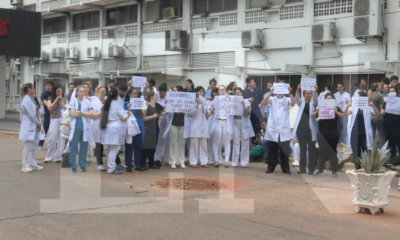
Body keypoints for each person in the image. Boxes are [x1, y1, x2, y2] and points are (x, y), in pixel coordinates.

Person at [261, 84, 295, 174]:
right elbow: (264, 102)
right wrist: (270, 91)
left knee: (285, 149)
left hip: (284, 128)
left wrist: (290, 92)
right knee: (272, 149)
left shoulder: (287, 99)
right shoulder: (272, 99)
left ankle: (285, 167)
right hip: (273, 128)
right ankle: (271, 167)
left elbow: (294, 103)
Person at [344, 91, 379, 170]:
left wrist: (372, 105)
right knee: (356, 153)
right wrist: (348, 105)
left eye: (359, 97)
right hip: (354, 133)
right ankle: (358, 169)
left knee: (366, 151)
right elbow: (346, 113)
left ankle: (369, 169)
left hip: (364, 133)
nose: (357, 98)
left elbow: (377, 113)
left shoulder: (368, 107)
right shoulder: (354, 106)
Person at [311, 93, 344, 177]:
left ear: (334, 100)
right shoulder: (321, 106)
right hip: (322, 132)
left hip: (333, 133)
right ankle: (320, 170)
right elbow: (313, 115)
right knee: (321, 152)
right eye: (327, 99)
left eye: (331, 99)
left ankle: (334, 171)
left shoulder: (336, 107)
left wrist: (336, 111)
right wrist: (317, 111)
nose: (329, 100)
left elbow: (342, 116)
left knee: (333, 152)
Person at [100, 88, 130, 174]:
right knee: (114, 149)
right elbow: (124, 118)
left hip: (108, 128)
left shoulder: (107, 104)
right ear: (116, 96)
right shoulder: (117, 105)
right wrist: (127, 112)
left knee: (111, 149)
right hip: (116, 129)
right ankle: (111, 168)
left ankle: (111, 166)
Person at [293, 84, 319, 175]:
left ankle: (311, 169)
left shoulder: (314, 103)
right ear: (304, 95)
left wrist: (316, 91)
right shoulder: (301, 103)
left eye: (310, 94)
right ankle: (302, 169)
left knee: (311, 150)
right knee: (302, 149)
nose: (309, 95)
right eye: (307, 93)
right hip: (301, 129)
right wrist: (297, 89)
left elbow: (316, 100)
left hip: (311, 130)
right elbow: (297, 99)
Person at [68, 85, 93, 173]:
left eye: (84, 91)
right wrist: (84, 113)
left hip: (85, 127)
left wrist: (80, 112)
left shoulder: (88, 102)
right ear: (77, 92)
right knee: (73, 147)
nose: (82, 93)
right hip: (75, 127)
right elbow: (73, 114)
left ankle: (82, 165)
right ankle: (73, 166)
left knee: (84, 147)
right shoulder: (72, 102)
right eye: (81, 91)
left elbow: (91, 114)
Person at [19, 83, 44, 172]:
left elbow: (36, 111)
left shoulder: (31, 99)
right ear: (29, 89)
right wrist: (38, 123)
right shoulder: (26, 100)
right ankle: (25, 165)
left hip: (34, 125)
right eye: (32, 88)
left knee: (34, 145)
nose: (33, 89)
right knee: (28, 146)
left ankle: (32, 163)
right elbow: (31, 114)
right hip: (30, 124)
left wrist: (38, 122)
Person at [208, 85, 234, 168]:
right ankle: (216, 160)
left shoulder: (230, 98)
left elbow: (236, 105)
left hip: (227, 122)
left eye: (223, 89)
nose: (222, 91)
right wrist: (211, 109)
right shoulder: (216, 99)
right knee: (216, 142)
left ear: (226, 90)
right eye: (220, 90)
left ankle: (226, 161)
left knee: (227, 142)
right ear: (218, 91)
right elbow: (209, 105)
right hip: (218, 121)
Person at [185, 86, 209, 168]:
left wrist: (211, 112)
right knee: (194, 144)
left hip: (204, 125)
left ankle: (204, 161)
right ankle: (193, 161)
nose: (201, 93)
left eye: (202, 91)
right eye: (199, 91)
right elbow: (191, 113)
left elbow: (207, 114)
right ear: (196, 92)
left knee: (204, 144)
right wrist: (197, 104)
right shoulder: (192, 102)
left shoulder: (205, 102)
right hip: (195, 124)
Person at [141, 90, 166, 170]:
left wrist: (164, 111)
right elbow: (143, 118)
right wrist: (153, 117)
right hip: (147, 128)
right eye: (155, 95)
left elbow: (164, 110)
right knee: (146, 146)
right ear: (151, 97)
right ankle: (143, 163)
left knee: (152, 146)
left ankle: (151, 162)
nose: (157, 96)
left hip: (155, 128)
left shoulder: (157, 105)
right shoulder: (146, 105)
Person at [232, 87, 254, 168]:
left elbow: (248, 113)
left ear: (241, 93)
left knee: (245, 143)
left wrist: (244, 105)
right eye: (236, 92)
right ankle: (235, 161)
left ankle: (244, 162)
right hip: (235, 122)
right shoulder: (232, 102)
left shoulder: (246, 101)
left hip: (244, 123)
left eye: (238, 92)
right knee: (236, 142)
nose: (237, 93)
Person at [124, 87, 145, 172]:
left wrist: (145, 107)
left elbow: (143, 114)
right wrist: (128, 108)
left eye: (136, 94)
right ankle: (128, 165)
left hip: (139, 126)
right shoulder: (126, 103)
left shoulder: (140, 103)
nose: (135, 95)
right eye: (134, 94)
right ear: (129, 95)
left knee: (138, 146)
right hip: (131, 128)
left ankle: (137, 164)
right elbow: (125, 115)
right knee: (129, 146)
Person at [44, 85, 66, 163]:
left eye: (60, 91)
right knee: (52, 138)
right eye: (57, 91)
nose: (59, 93)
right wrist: (56, 99)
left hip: (63, 119)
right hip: (54, 119)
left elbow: (66, 108)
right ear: (55, 92)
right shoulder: (50, 99)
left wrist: (62, 102)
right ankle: (49, 157)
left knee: (61, 139)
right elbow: (49, 107)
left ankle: (58, 157)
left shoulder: (65, 99)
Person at [91, 85, 109, 171]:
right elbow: (92, 115)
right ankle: (99, 163)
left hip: (108, 124)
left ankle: (116, 162)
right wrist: (101, 112)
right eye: (102, 92)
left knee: (110, 143)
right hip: (98, 124)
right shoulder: (94, 102)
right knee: (99, 144)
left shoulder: (107, 101)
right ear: (98, 93)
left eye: (105, 92)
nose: (103, 93)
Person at [381, 85, 400, 166]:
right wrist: (382, 111)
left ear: (396, 92)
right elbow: (382, 111)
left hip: (397, 124)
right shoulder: (386, 102)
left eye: (393, 91)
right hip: (388, 125)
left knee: (398, 142)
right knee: (391, 142)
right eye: (390, 92)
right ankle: (392, 157)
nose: (392, 93)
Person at [243, 76, 263, 143]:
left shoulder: (258, 90)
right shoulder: (244, 91)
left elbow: (261, 101)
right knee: (251, 127)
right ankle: (252, 141)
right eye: (252, 81)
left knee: (259, 127)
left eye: (254, 81)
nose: (254, 83)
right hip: (249, 113)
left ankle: (260, 141)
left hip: (257, 112)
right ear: (248, 83)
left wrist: (262, 111)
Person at [155, 83, 170, 165]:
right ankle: (157, 157)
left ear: (166, 92)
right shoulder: (157, 97)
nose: (161, 95)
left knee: (167, 140)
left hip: (167, 120)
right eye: (160, 93)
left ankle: (167, 158)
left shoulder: (169, 97)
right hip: (160, 120)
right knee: (160, 139)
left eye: (163, 93)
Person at [38, 81, 53, 150]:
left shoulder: (54, 93)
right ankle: (40, 144)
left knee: (54, 131)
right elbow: (45, 102)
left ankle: (53, 146)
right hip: (47, 115)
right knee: (45, 129)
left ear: (52, 87)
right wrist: (51, 104)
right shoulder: (44, 94)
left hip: (55, 115)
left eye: (49, 85)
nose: (48, 86)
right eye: (47, 85)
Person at [206, 88, 220, 165]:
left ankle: (217, 159)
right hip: (211, 122)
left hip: (218, 122)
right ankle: (210, 158)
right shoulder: (211, 102)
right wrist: (211, 111)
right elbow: (208, 109)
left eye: (216, 93)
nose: (215, 94)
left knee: (217, 142)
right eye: (214, 93)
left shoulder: (222, 102)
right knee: (210, 141)